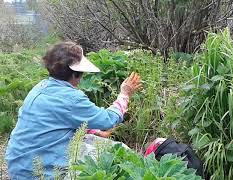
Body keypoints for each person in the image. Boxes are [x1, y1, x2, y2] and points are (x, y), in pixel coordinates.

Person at [5, 42, 141, 179]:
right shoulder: (71, 98)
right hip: (40, 173)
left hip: (18, 167)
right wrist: (125, 94)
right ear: (75, 74)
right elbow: (108, 120)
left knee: (90, 140)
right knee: (114, 152)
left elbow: (52, 124)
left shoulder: (40, 87)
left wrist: (94, 131)